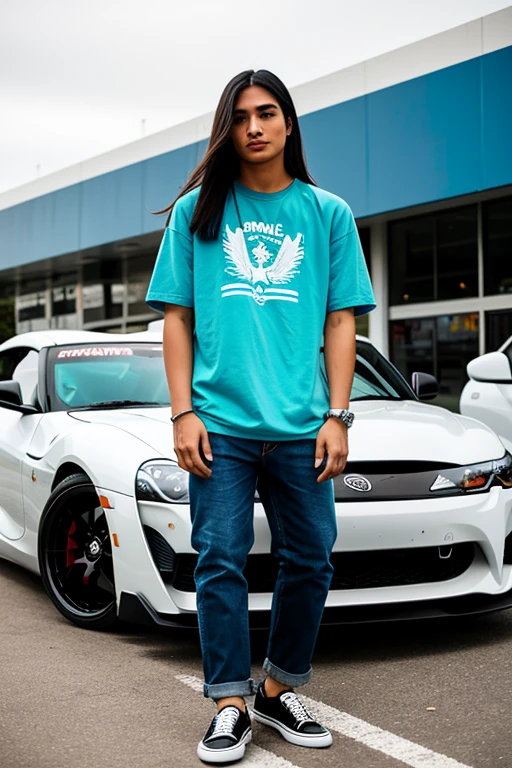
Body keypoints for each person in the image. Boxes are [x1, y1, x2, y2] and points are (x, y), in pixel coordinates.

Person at [146, 69, 375, 764]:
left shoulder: (327, 213)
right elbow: (178, 320)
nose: (253, 126)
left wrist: (339, 415)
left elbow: (341, 322)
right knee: (219, 559)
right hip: (221, 425)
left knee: (311, 559)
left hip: (304, 427)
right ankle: (228, 704)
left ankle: (277, 689)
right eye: (241, 115)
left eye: (267, 112)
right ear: (228, 127)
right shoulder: (197, 214)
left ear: (288, 123)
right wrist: (183, 412)